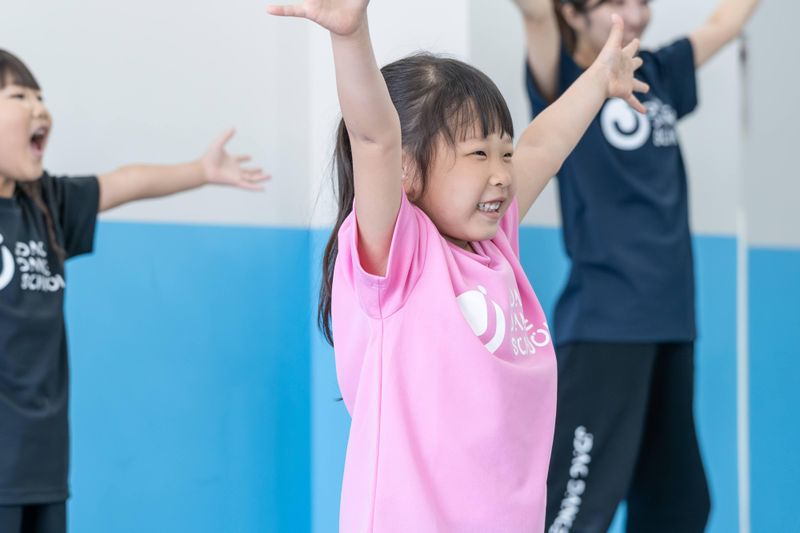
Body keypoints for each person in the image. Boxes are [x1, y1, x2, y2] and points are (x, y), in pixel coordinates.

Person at [269, 1, 646, 530]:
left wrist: (599, 79)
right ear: (406, 170)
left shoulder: (495, 244)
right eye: (477, 155)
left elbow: (546, 143)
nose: (502, 173)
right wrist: (350, 37)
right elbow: (375, 138)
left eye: (505, 154)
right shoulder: (401, 255)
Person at [510, 0, 761, 531]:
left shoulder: (659, 71)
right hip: (607, 325)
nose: (638, 16)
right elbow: (534, 14)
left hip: (672, 322)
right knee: (574, 511)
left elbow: (726, 22)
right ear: (571, 14)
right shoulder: (565, 82)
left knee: (679, 505)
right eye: (617, 4)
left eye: (642, 2)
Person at [0, 48, 268, 533]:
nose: (40, 109)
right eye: (20, 97)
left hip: (42, 467)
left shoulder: (47, 204)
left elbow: (126, 181)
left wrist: (201, 171)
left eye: (41, 98)